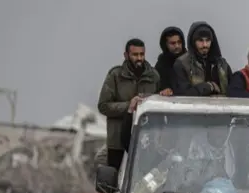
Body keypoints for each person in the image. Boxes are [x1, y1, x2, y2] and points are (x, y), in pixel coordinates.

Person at [97, 38, 161, 170]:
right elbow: (103, 106)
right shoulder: (115, 75)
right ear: (126, 55)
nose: (139, 58)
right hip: (117, 142)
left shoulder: (153, 76)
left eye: (141, 54)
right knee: (113, 182)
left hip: (146, 141)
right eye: (135, 55)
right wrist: (129, 106)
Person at [172, 21, 233, 96]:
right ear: (193, 42)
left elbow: (232, 90)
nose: (205, 45)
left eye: (208, 40)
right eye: (200, 40)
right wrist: (209, 86)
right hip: (194, 107)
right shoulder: (182, 64)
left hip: (221, 106)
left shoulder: (222, 64)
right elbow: (182, 94)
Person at [154, 26, 186, 94]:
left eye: (179, 42)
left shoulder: (190, 61)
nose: (177, 46)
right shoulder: (161, 65)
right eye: (173, 43)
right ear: (165, 45)